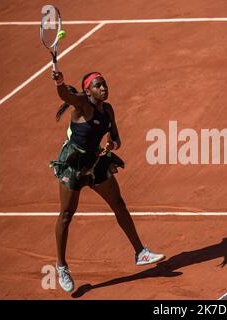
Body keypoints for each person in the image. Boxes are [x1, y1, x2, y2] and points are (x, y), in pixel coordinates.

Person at [49, 70, 165, 292]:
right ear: (87, 91)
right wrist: (60, 82)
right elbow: (65, 95)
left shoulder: (108, 110)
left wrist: (112, 144)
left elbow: (116, 140)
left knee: (118, 204)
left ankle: (140, 252)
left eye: (105, 84)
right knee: (66, 215)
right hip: (74, 163)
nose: (104, 88)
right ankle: (61, 265)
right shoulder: (83, 105)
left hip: (95, 160)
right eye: (98, 85)